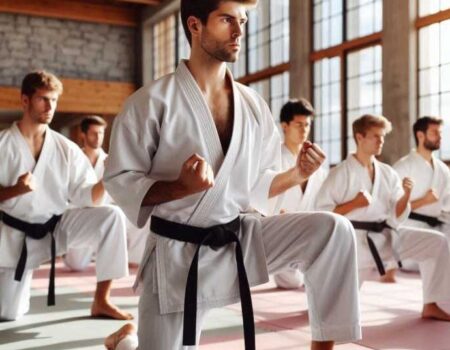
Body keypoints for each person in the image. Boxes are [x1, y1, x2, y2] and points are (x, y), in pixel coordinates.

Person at [103, 1, 361, 349]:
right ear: (195, 26)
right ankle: (126, 342)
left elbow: (257, 182)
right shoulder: (149, 103)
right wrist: (179, 187)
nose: (240, 31)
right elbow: (121, 181)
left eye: (243, 20)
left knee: (333, 230)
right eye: (227, 20)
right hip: (178, 256)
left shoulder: (253, 104)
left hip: (238, 238)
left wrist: (296, 174)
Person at [0, 71, 132, 321]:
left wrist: (108, 178)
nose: (50, 106)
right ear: (25, 101)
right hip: (14, 236)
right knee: (8, 313)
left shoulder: (66, 149)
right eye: (43, 99)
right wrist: (15, 190)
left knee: (111, 216)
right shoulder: (3, 145)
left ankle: (102, 300)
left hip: (55, 227)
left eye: (54, 100)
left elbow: (86, 197)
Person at [316, 114, 450, 322]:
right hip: (353, 243)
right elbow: (322, 214)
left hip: (385, 237)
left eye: (383, 137)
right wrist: (354, 204)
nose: (381, 141)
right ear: (359, 138)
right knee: (334, 312)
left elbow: (396, 214)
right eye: (376, 137)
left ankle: (431, 304)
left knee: (435, 242)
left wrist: (405, 196)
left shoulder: (387, 173)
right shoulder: (340, 173)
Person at [63, 116, 149, 271]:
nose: (98, 137)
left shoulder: (111, 160)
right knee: (76, 266)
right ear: (83, 135)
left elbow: (125, 190)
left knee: (141, 218)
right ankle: (88, 253)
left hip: (110, 211)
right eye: (94, 133)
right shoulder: (73, 160)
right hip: (82, 214)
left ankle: (132, 258)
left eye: (101, 133)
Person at [271, 98, 328, 289]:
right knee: (291, 282)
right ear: (284, 126)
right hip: (279, 234)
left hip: (308, 236)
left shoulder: (317, 166)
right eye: (298, 125)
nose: (304, 130)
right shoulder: (272, 159)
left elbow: (322, 203)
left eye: (307, 125)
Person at [393, 117, 450, 242]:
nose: (439, 137)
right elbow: (393, 209)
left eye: (440, 133)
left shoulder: (443, 170)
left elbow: (447, 205)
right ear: (420, 135)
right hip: (410, 227)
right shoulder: (402, 167)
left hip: (438, 228)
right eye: (434, 133)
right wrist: (424, 201)